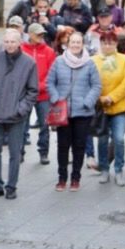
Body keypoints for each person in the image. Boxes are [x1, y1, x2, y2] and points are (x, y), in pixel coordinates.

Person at [0, 29, 38, 200]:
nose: (9, 45)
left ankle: (11, 186)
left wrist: (21, 109)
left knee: (15, 153)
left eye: (13, 41)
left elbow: (32, 91)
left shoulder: (29, 63)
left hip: (16, 116)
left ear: (20, 42)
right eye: (6, 41)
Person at [46, 31, 101, 191]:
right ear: (67, 44)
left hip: (83, 112)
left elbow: (96, 85)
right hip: (62, 112)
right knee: (63, 146)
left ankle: (76, 178)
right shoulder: (59, 61)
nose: (75, 45)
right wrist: (56, 98)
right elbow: (50, 82)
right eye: (73, 42)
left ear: (82, 44)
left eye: (78, 42)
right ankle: (62, 178)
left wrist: (88, 101)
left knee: (79, 146)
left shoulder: (89, 63)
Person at [93, 31, 125, 185]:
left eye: (110, 43)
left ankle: (118, 169)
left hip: (119, 107)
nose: (107, 46)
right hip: (100, 108)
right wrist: (100, 98)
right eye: (104, 43)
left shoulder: (124, 60)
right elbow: (90, 81)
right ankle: (104, 169)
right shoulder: (93, 60)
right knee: (102, 139)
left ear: (116, 44)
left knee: (119, 138)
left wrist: (112, 97)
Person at [22, 23, 57, 164]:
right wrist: (28, 87)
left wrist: (39, 86)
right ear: (30, 35)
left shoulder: (49, 51)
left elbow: (52, 73)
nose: (41, 36)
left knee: (44, 125)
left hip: (43, 95)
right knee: (22, 125)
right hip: (25, 95)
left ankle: (43, 152)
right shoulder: (21, 49)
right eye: (38, 34)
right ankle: (19, 152)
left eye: (42, 34)